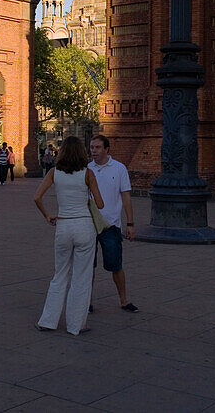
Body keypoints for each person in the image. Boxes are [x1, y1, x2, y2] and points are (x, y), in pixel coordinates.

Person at [34, 135, 104, 336]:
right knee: (82, 276)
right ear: (83, 152)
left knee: (60, 274)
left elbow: (36, 197)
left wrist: (48, 215)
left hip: (63, 225)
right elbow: (100, 204)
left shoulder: (54, 173)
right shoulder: (88, 173)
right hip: (84, 225)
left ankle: (48, 320)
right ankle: (77, 324)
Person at [87, 134, 137, 313]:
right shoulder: (87, 169)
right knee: (87, 266)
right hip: (90, 224)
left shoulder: (119, 168)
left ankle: (123, 300)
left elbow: (125, 195)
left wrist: (130, 223)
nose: (94, 151)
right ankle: (87, 301)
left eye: (98, 147)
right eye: (92, 147)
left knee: (115, 265)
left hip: (111, 225)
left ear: (107, 150)